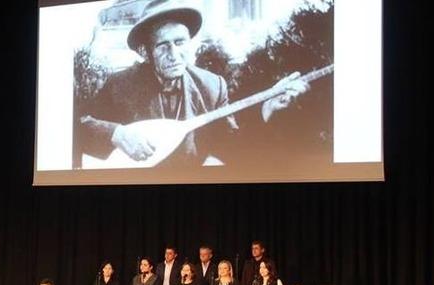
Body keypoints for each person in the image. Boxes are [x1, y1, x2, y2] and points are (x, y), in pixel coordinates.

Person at [78, 0, 308, 167]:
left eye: (180, 42)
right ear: (145, 52)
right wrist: (116, 134)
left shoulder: (212, 86)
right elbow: (79, 126)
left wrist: (265, 111)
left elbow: (231, 146)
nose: (174, 54)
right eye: (162, 45)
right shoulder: (121, 85)